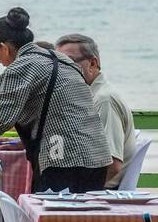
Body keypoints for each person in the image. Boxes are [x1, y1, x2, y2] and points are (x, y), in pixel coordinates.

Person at [0, 7, 110, 193]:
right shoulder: (61, 59)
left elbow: (0, 120)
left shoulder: (18, 68)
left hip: (64, 160)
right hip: (97, 157)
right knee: (80, 219)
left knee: (52, 218)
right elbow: (59, 112)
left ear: (5, 48)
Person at [55, 33, 138, 187]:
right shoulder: (86, 96)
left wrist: (76, 189)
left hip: (99, 194)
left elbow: (112, 164)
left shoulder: (104, 100)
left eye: (69, 62)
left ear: (93, 64)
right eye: (58, 63)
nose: (61, 70)